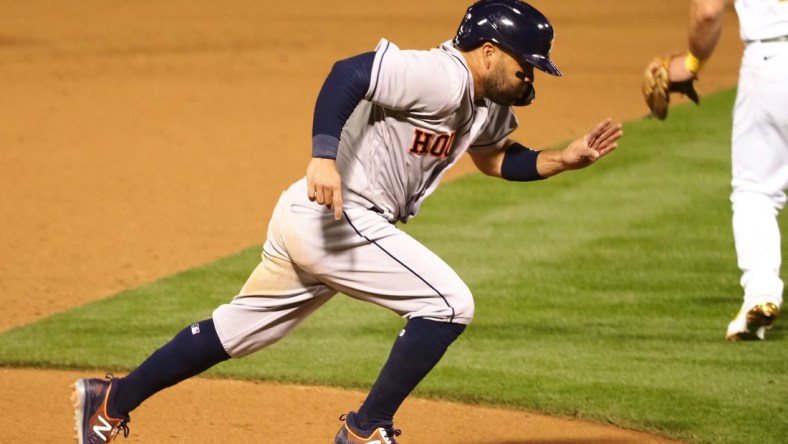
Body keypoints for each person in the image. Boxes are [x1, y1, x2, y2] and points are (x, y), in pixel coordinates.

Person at [71, 1, 622, 443]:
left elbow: (495, 157)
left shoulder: (485, 102)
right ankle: (365, 429)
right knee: (448, 303)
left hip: (314, 218)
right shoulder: (440, 74)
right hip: (337, 214)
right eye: (526, 64)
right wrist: (323, 156)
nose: (531, 78)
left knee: (236, 330)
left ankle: (109, 401)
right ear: (488, 51)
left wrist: (560, 159)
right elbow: (349, 73)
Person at [658, 0, 786, 341]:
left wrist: (692, 64)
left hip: (772, 65)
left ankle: (761, 294)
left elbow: (708, 11)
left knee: (755, 189)